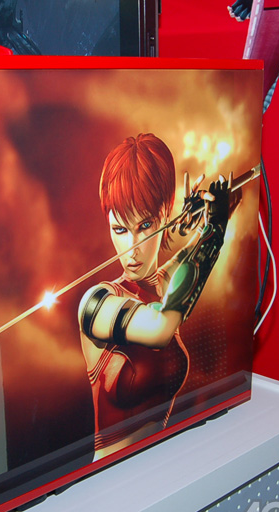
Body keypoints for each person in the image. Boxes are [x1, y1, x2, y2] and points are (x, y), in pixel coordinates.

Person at [77, 133, 232, 461]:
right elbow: (160, 327)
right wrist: (211, 232)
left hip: (160, 465)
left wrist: (214, 220)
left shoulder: (162, 286)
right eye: (120, 229)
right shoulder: (97, 303)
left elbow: (186, 263)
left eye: (145, 225)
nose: (131, 248)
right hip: (108, 479)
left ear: (165, 214)